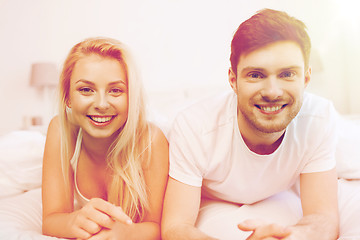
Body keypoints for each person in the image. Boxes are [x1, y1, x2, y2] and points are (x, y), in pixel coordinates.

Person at [161, 9, 343, 239]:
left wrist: (294, 237)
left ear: (306, 79)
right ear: (233, 80)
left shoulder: (320, 116)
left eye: (287, 74)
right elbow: (174, 227)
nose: (272, 92)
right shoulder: (194, 127)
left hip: (282, 191)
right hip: (215, 200)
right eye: (256, 75)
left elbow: (323, 217)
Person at [42, 37, 169, 240]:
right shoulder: (60, 130)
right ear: (68, 97)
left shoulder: (152, 141)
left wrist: (125, 233)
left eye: (116, 90)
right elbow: (51, 220)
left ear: (131, 97)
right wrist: (73, 221)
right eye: (86, 89)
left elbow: (157, 226)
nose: (101, 104)